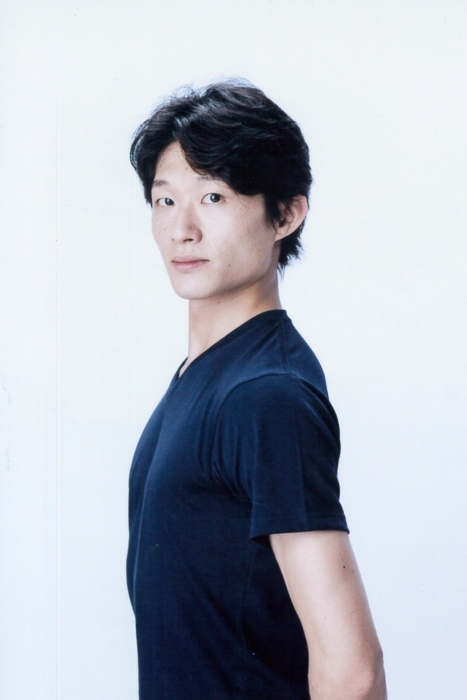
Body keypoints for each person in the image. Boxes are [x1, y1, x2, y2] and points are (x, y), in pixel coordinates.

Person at [127, 79, 387, 700]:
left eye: (213, 197)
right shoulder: (206, 373)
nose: (182, 229)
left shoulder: (267, 395)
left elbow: (353, 671)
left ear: (286, 215)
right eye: (165, 200)